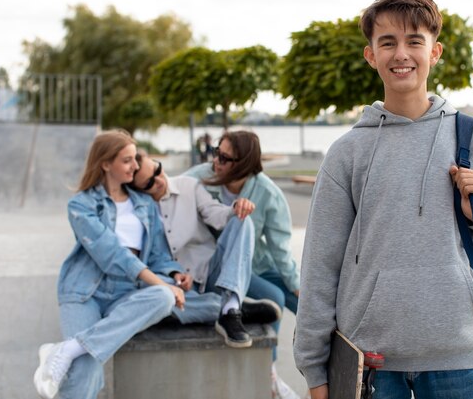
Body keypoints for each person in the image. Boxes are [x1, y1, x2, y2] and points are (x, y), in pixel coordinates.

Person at [293, 0, 473, 399]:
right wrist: (315, 369)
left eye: (414, 41)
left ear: (434, 52)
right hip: (371, 363)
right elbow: (319, 266)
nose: (400, 53)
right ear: (371, 55)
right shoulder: (346, 153)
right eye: (387, 42)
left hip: (460, 359)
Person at [33, 129, 197, 399]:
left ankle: (68, 348)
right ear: (105, 163)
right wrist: (160, 282)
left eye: (135, 159)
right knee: (86, 368)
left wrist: (173, 273)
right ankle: (75, 352)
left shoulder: (144, 204)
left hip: (127, 291)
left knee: (163, 298)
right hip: (85, 291)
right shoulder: (81, 205)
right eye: (127, 160)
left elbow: (156, 254)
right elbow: (111, 254)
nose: (135, 166)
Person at [184, 130, 302, 399]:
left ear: (244, 164)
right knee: (272, 297)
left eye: (225, 157)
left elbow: (280, 248)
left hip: (258, 264)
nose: (216, 161)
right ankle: (269, 373)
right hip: (217, 265)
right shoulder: (198, 178)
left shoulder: (266, 192)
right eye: (216, 152)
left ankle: (333, 356)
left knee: (303, 300)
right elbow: (168, 193)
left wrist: (296, 286)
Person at [129, 153, 282, 347]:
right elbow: (151, 257)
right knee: (155, 299)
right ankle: (230, 309)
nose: (159, 180)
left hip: (211, 272)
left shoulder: (188, 186)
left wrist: (235, 208)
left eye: (157, 170)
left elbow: (215, 213)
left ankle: (230, 306)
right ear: (140, 190)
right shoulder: (140, 209)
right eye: (149, 182)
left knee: (242, 220)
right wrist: (174, 275)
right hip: (178, 286)